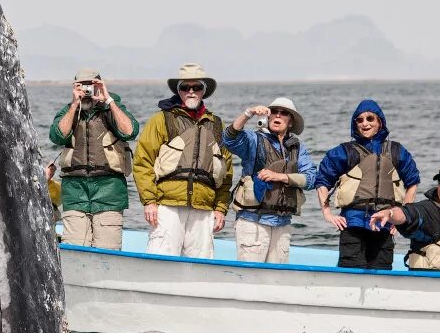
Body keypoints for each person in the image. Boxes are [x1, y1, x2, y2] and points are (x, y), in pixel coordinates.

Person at [132, 63, 233, 258]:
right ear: (179, 91)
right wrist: (149, 202)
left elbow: (226, 172)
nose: (191, 92)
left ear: (204, 91)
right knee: (161, 260)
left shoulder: (216, 125)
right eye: (186, 87)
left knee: (202, 264)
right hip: (168, 205)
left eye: (197, 87)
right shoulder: (161, 119)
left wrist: (221, 208)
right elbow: (143, 162)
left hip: (204, 208)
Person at [315, 100, 421, 269]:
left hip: (384, 225)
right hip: (352, 225)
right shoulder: (344, 152)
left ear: (380, 121)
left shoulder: (396, 151)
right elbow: (322, 180)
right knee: (351, 272)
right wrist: (327, 213)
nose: (365, 123)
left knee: (382, 274)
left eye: (370, 118)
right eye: (360, 120)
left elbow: (413, 182)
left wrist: (402, 216)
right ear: (355, 124)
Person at [49, 69, 139, 249]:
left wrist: (108, 101)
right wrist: (75, 105)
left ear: (100, 85)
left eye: (92, 85)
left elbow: (130, 131)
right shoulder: (68, 111)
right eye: (82, 86)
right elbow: (57, 136)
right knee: (74, 247)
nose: (87, 90)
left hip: (109, 192)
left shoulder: (113, 108)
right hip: (75, 192)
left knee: (108, 249)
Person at [223, 97, 316, 263]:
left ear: (291, 122)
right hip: (253, 222)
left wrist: (281, 177)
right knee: (250, 277)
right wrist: (248, 113)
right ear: (268, 116)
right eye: (274, 112)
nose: (278, 116)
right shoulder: (253, 140)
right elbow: (229, 139)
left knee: (277, 279)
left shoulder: (298, 148)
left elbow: (311, 179)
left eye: (284, 113)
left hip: (283, 223)